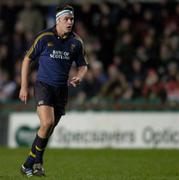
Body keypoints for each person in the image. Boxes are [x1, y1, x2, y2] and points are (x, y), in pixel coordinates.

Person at [19, 4, 88, 177]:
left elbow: (83, 66)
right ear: (58, 20)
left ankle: (31, 163)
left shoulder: (76, 42)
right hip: (44, 86)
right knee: (47, 123)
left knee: (48, 129)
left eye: (72, 19)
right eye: (66, 19)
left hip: (61, 90)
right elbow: (27, 59)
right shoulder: (44, 37)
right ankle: (34, 164)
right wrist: (24, 86)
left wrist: (79, 76)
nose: (70, 22)